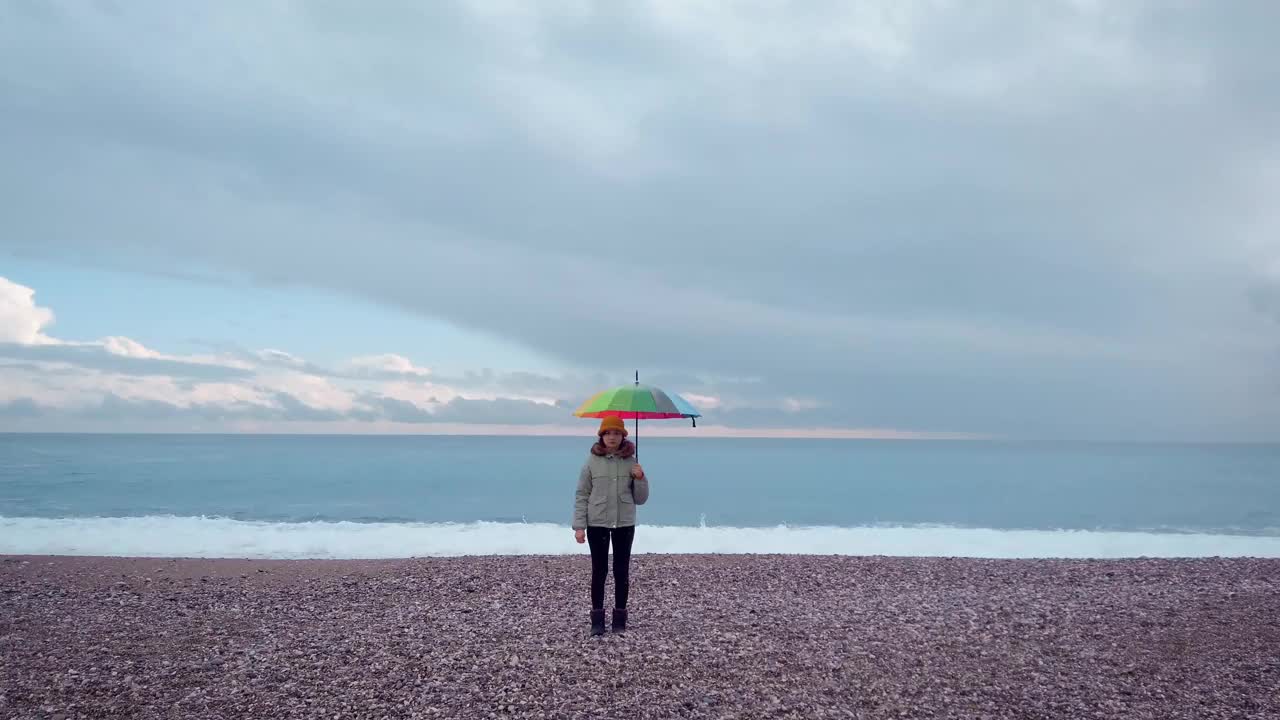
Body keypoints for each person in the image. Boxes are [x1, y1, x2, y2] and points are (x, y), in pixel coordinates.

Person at [572, 415, 649, 636]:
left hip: (624, 523)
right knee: (599, 571)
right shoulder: (591, 462)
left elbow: (641, 499)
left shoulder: (632, 462)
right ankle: (597, 620)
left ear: (623, 436)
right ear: (602, 436)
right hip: (597, 523)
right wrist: (579, 526)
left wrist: (640, 477)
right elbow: (581, 494)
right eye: (608, 433)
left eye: (616, 433)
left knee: (621, 571)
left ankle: (620, 620)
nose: (612, 437)